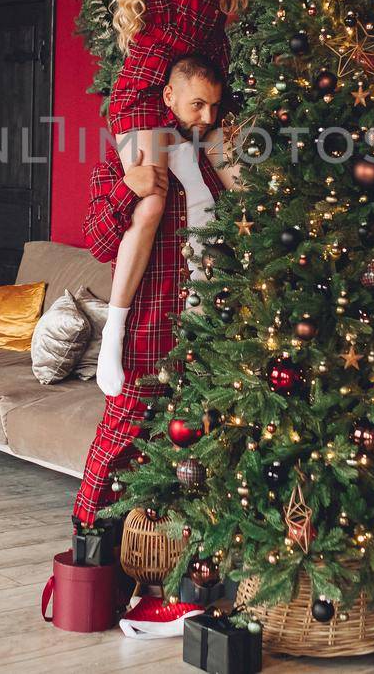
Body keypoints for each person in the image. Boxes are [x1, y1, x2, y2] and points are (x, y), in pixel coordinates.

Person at [93, 0, 357, 397]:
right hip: (145, 91)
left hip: (197, 92)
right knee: (154, 203)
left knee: (232, 191)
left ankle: (216, 320)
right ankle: (113, 336)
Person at [72, 54, 235, 529]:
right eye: (197, 105)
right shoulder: (132, 154)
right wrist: (128, 188)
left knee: (195, 451)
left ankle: (166, 574)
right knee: (120, 440)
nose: (207, 117)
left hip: (207, 330)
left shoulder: (209, 160)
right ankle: (86, 550)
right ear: (168, 97)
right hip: (149, 330)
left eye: (214, 107)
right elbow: (98, 243)